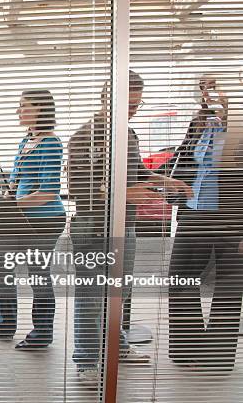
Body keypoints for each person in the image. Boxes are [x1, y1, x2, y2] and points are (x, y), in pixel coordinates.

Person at [67, 70, 192, 387]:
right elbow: (81, 188)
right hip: (95, 229)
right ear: (107, 98)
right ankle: (86, 362)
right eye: (129, 103)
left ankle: (118, 348)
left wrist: (168, 181)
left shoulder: (128, 134)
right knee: (91, 299)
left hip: (126, 226)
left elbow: (137, 174)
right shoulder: (87, 135)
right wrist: (127, 193)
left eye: (137, 104)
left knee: (117, 295)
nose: (133, 110)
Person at [168, 76, 243, 370]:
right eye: (206, 92)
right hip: (193, 214)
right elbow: (184, 161)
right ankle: (188, 350)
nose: (211, 97)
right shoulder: (201, 125)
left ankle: (216, 358)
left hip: (232, 221)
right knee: (180, 279)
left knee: (228, 287)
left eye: (216, 91)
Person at [0, 90, 66, 349]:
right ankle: (5, 323)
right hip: (19, 218)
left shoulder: (51, 143)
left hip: (44, 220)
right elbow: (15, 180)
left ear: (41, 110)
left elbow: (47, 192)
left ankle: (42, 333)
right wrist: (7, 194)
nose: (18, 111)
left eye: (24, 106)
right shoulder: (26, 141)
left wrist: (11, 204)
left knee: (38, 275)